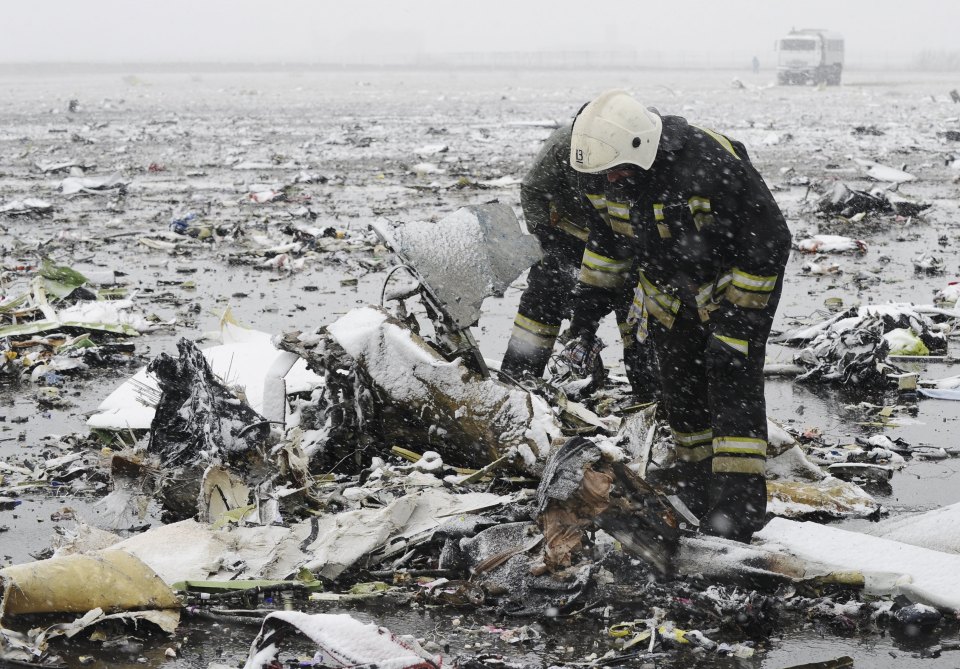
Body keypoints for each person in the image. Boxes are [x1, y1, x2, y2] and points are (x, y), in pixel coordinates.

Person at [563, 89, 791, 542]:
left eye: (617, 172)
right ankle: (696, 495)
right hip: (669, 297)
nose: (610, 182)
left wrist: (735, 328)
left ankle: (736, 513)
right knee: (682, 395)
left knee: (733, 394)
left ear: (640, 150)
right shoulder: (601, 175)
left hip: (734, 290)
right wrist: (583, 323)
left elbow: (768, 242)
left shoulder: (709, 164)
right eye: (602, 176)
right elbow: (608, 249)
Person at [500, 120, 660, 402]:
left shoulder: (638, 149)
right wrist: (546, 241)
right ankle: (516, 381)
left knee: (635, 313)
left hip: (624, 239)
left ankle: (649, 395)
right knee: (542, 299)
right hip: (567, 236)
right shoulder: (563, 144)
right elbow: (533, 191)